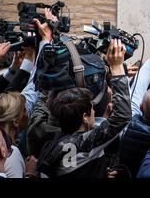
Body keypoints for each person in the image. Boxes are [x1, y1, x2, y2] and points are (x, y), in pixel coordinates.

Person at [35, 39, 131, 178]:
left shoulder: (51, 144)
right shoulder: (84, 144)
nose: (94, 112)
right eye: (91, 110)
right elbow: (123, 116)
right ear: (85, 117)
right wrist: (117, 68)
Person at [0, 92, 28, 178]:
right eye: (24, 109)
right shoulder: (10, 154)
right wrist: (30, 174)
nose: (27, 113)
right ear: (16, 121)